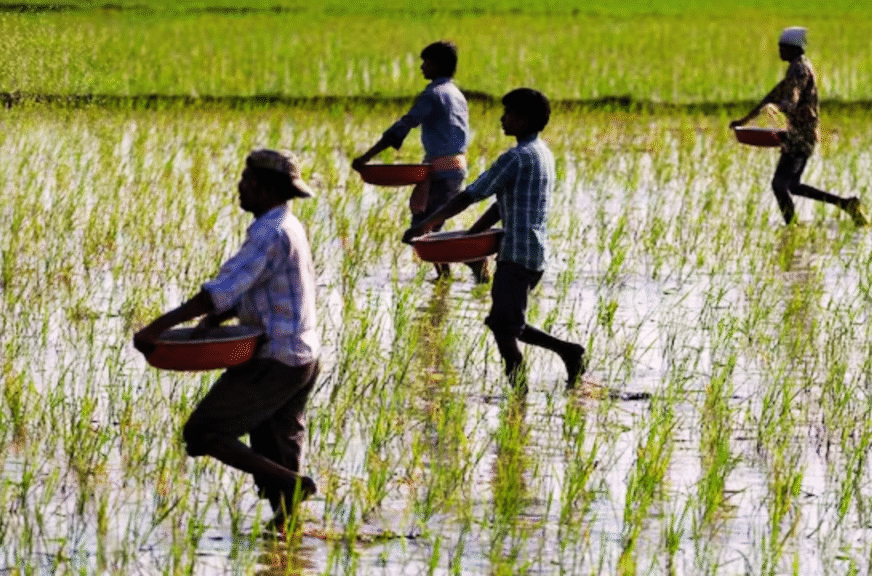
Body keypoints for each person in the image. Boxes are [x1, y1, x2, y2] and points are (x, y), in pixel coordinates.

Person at [133, 149, 320, 533]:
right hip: (301, 356)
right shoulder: (286, 225)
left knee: (204, 432)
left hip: (275, 358)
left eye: (246, 181)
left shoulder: (269, 232)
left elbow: (219, 290)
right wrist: (217, 318)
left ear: (265, 188)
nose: (240, 188)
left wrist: (155, 329)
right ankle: (286, 539)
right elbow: (253, 291)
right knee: (276, 447)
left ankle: (294, 486)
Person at [403, 88, 585, 390]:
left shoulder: (515, 157)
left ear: (525, 119)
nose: (503, 119)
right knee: (508, 323)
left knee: (504, 326)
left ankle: (528, 387)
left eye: (509, 113)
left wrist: (424, 224)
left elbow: (469, 196)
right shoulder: (542, 153)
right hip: (532, 253)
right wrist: (470, 235)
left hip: (515, 255)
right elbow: (503, 204)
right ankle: (552, 365)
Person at [352, 40, 489, 284]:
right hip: (453, 166)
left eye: (426, 62)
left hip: (442, 169)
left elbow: (404, 125)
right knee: (429, 224)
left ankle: (471, 260)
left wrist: (367, 156)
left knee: (425, 226)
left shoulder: (433, 94)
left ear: (438, 65)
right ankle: (445, 275)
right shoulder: (456, 93)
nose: (422, 67)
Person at [730, 26, 869, 226]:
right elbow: (773, 95)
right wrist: (745, 120)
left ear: (792, 48)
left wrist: (777, 108)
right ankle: (845, 204)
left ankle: (793, 226)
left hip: (801, 136)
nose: (779, 51)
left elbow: (790, 100)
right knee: (791, 185)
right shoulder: (797, 67)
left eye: (782, 47)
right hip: (798, 134)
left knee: (780, 185)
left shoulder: (799, 69)